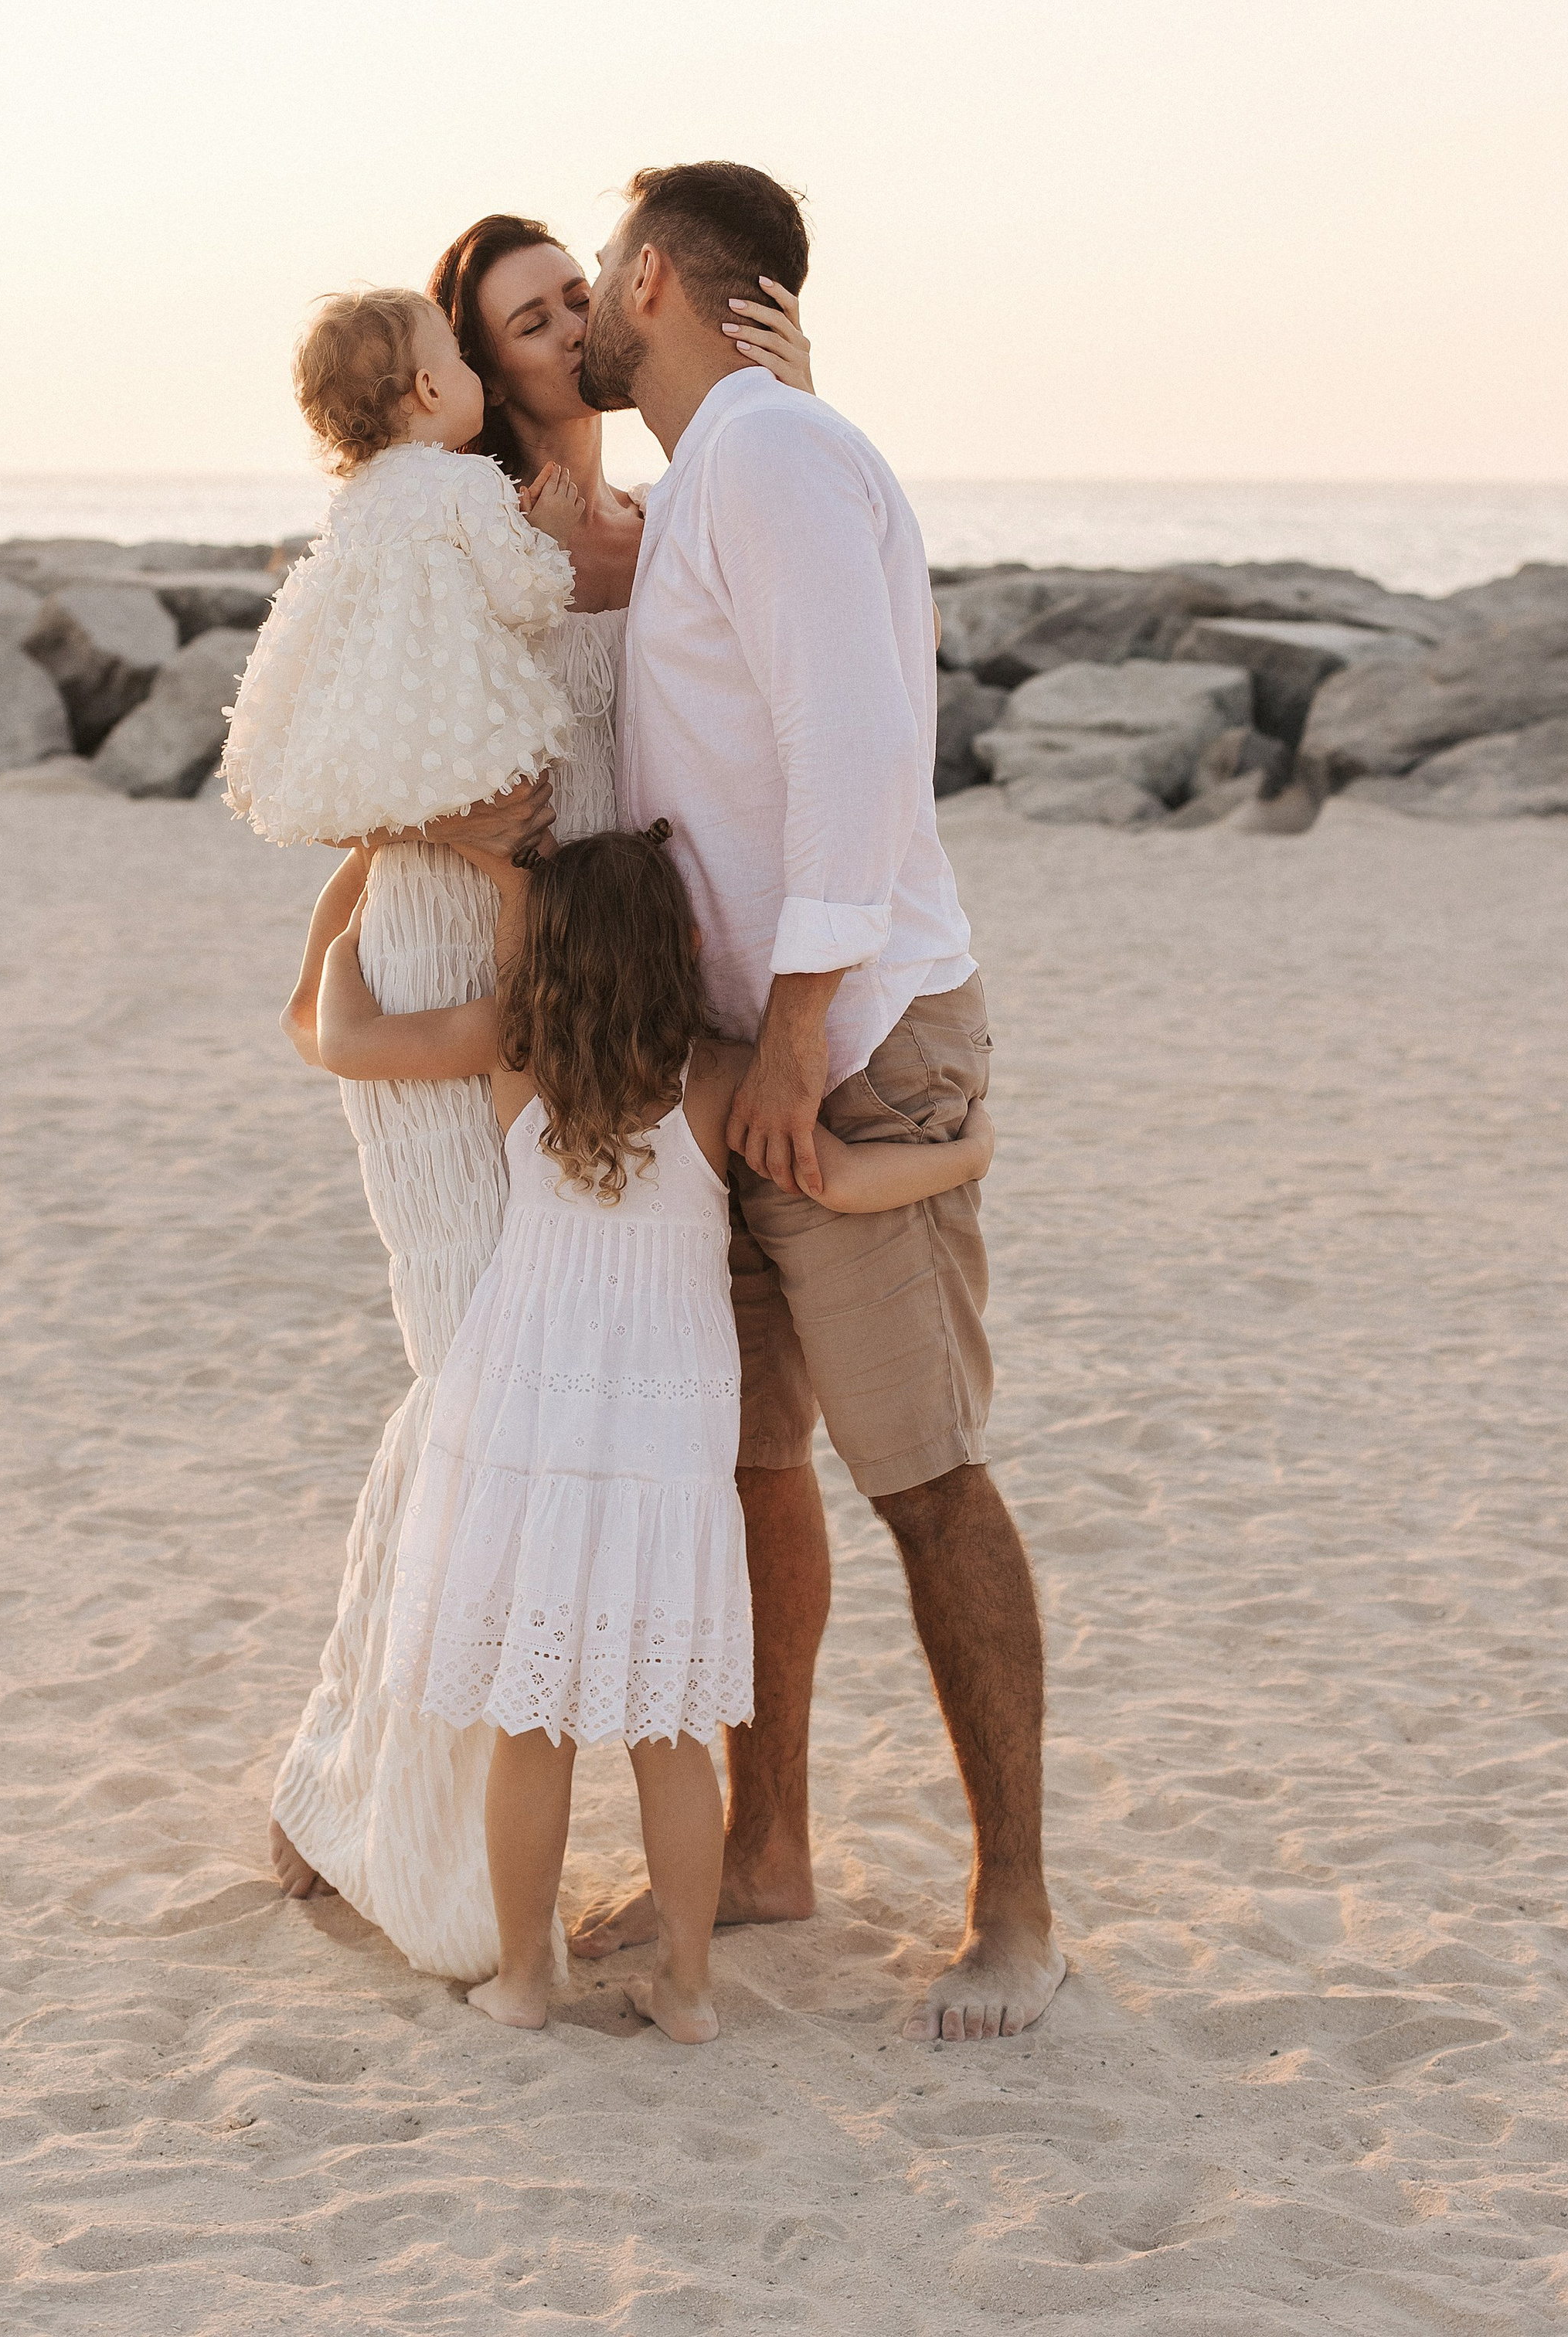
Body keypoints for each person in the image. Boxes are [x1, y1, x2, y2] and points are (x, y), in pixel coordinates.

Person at [256, 232, 814, 1979]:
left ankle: (366, 1793)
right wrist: (410, 846)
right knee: (466, 1368)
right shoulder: (452, 536)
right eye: (526, 318)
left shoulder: (674, 515)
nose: (572, 325)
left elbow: (799, 616)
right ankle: (371, 1809)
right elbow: (349, 741)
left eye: (579, 293)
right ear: (476, 376)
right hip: (461, 946)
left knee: (524, 1393)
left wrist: (792, 403)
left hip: (596, 992)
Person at [571, 162, 1066, 2043]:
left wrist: (788, 1034)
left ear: (647, 279)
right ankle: (766, 1848)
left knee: (924, 1476)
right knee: (756, 1462)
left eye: (599, 286)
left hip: (844, 1042)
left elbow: (852, 752)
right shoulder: (736, 463)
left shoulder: (769, 459)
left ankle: (1013, 1907)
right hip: (740, 1060)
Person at [315, 825, 995, 2041]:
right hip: (669, 1420)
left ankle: (526, 1981)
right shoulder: (720, 1077)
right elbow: (840, 1179)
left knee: (533, 1721)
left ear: (543, 962)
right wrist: (968, 1152)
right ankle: (686, 1990)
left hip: (525, 1402)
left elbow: (339, 1034)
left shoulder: (517, 1048)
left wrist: (363, 874)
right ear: (687, 942)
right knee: (671, 1720)